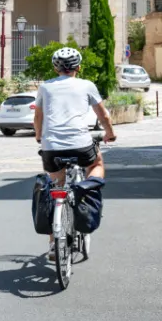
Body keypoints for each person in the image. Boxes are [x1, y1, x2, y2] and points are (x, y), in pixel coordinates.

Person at [33, 47, 116, 260]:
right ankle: (85, 188)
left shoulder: (45, 87)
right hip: (80, 144)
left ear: (55, 68)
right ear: (78, 67)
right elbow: (103, 115)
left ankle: (53, 244)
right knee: (96, 164)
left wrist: (39, 136)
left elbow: (38, 118)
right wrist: (110, 133)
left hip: (51, 147)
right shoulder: (86, 85)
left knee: (55, 188)